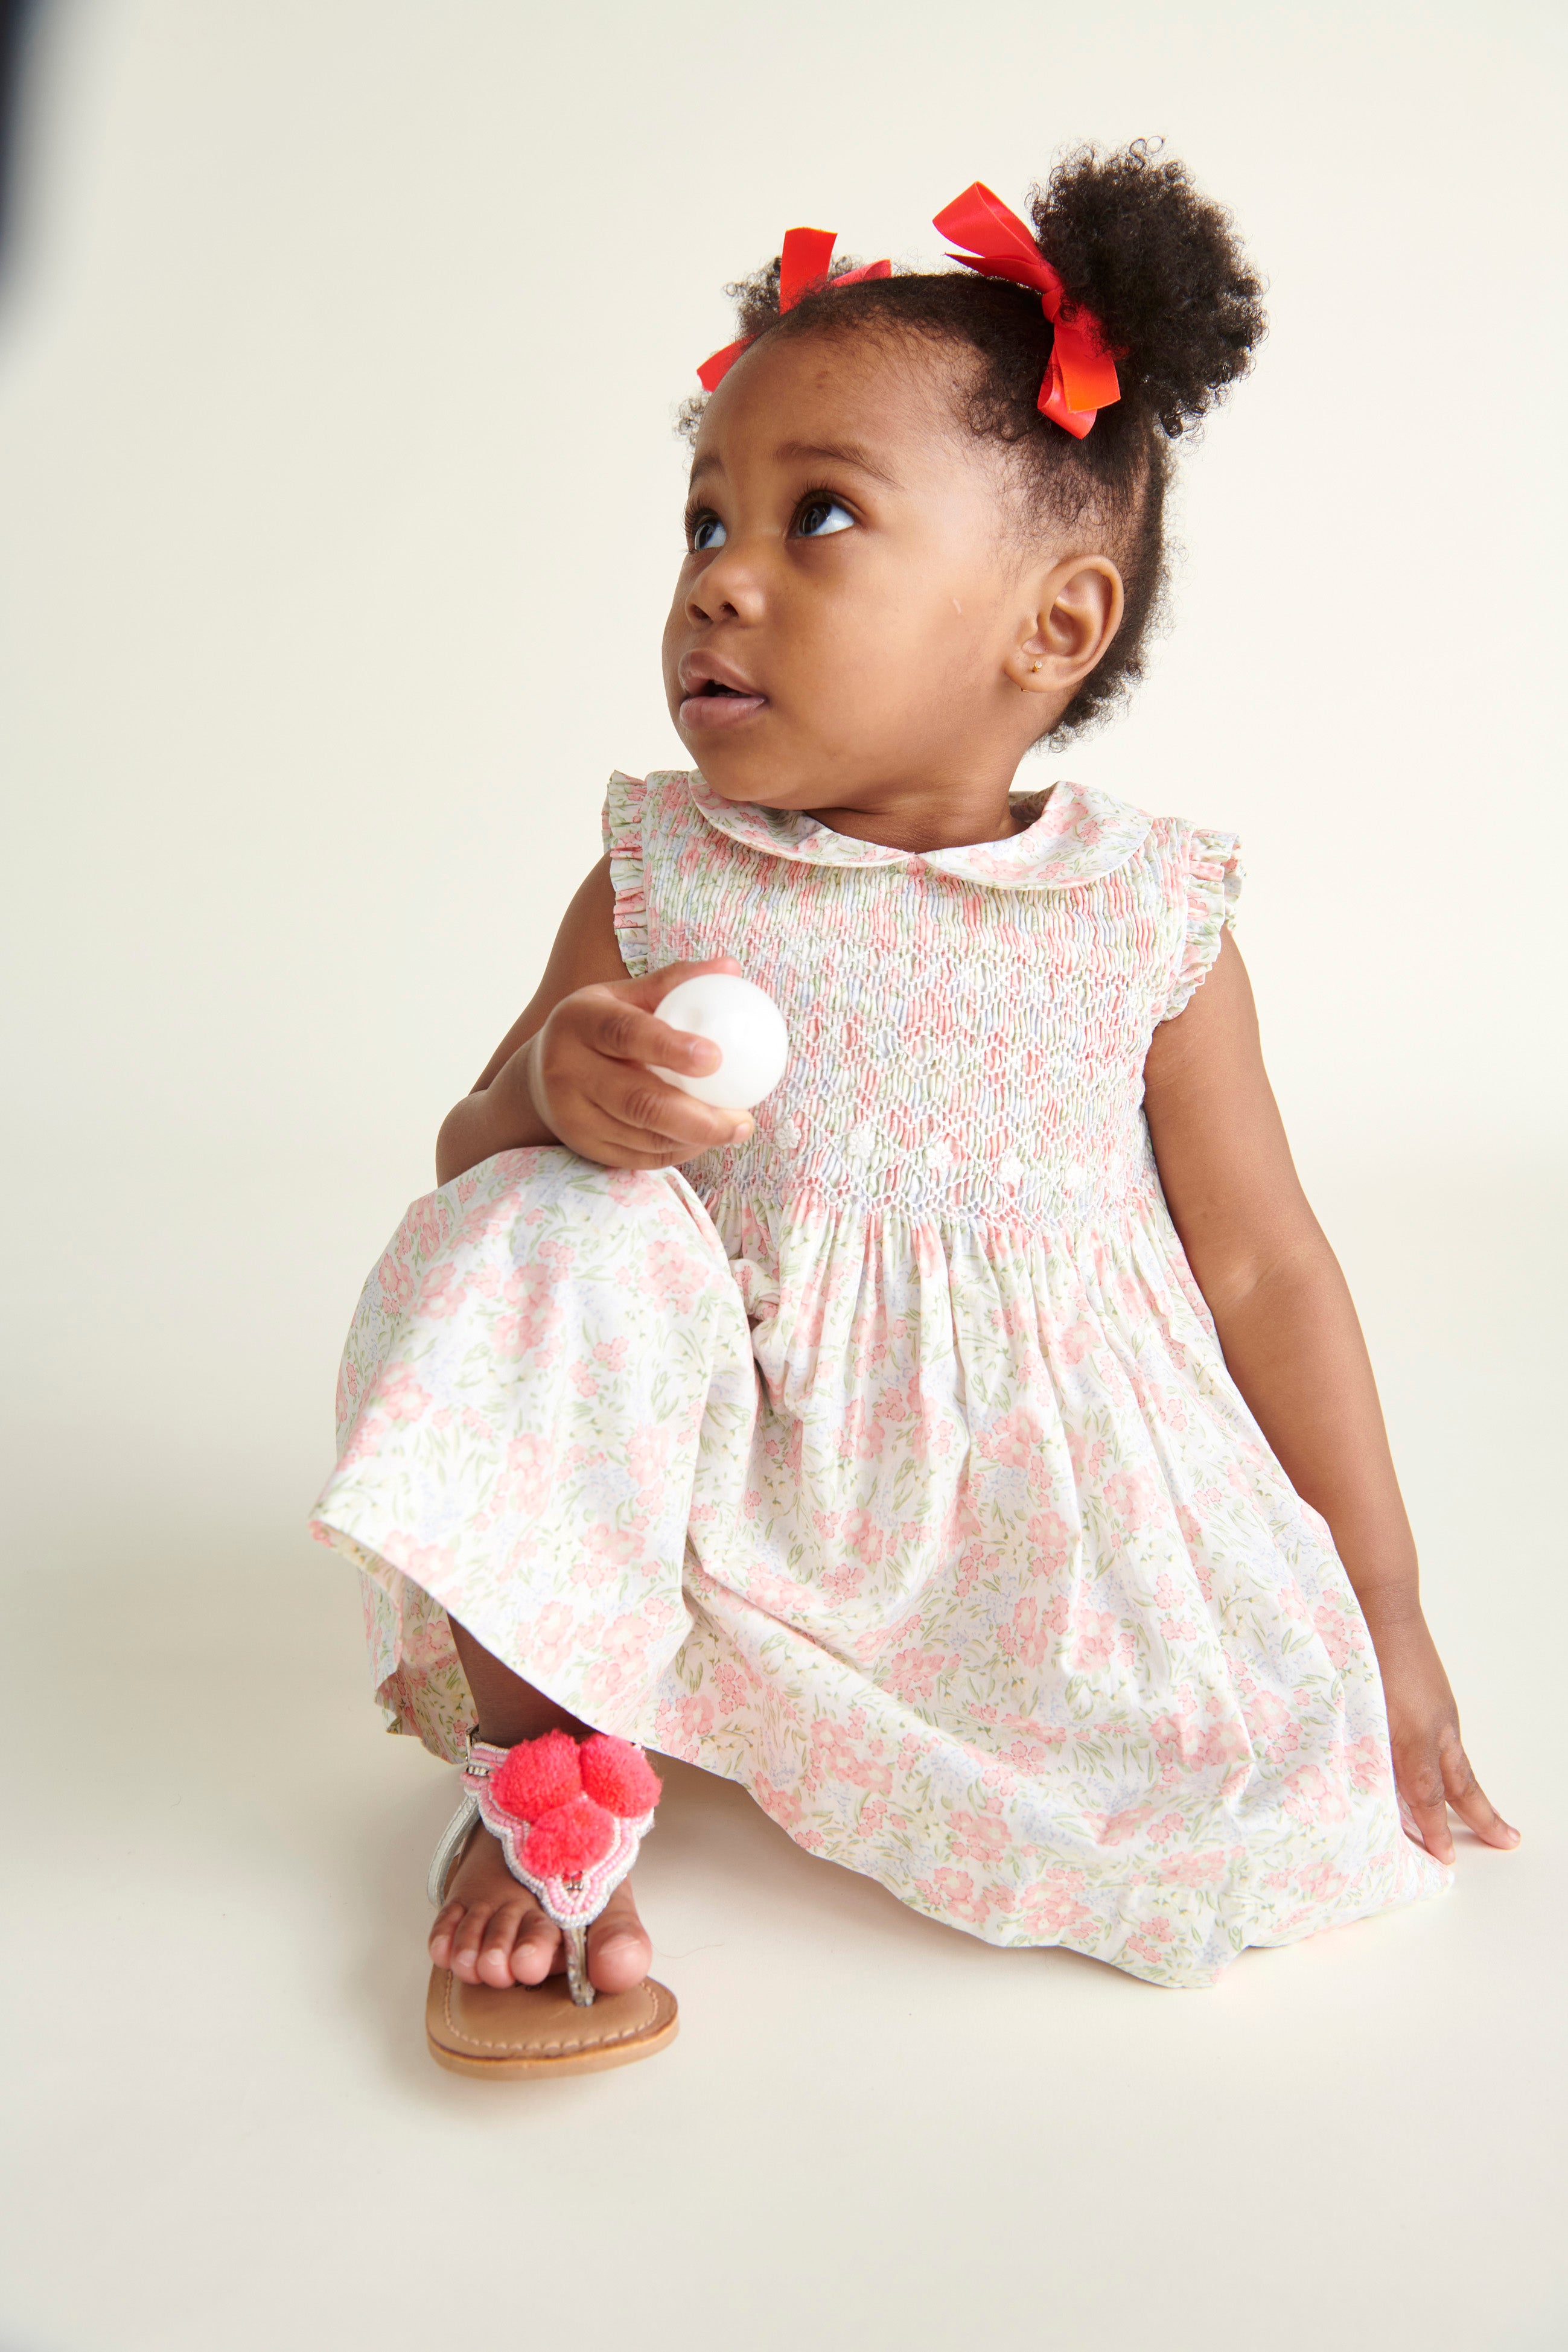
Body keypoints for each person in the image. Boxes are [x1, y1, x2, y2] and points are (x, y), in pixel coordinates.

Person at [311, 142, 1518, 2070]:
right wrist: (552, 1089)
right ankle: (552, 1765)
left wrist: (1385, 1605)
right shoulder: (665, 873)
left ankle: (960, 1717)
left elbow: (1271, 1265)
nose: (721, 579)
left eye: (817, 520)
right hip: (729, 1474)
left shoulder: (1145, 914)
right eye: (705, 520)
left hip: (1021, 1521)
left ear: (1051, 626)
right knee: (542, 1220)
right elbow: (464, 1166)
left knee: (1239, 1781)